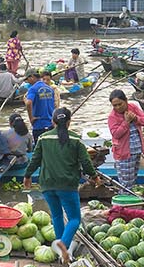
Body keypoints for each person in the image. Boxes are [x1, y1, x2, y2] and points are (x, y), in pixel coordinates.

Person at [21, 107, 96, 262]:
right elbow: (86, 162)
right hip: (67, 185)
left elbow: (34, 160)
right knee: (74, 218)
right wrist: (94, 177)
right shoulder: (76, 139)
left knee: (56, 215)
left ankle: (60, 252)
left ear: (53, 122)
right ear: (69, 122)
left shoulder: (43, 138)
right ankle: (63, 243)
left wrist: (27, 176)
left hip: (47, 185)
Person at [106, 90, 144, 191]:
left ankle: (128, 203)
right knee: (125, 184)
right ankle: (124, 203)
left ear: (126, 100)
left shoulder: (133, 107)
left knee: (132, 179)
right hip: (124, 153)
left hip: (137, 150)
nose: (118, 107)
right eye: (115, 105)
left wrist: (135, 118)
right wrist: (126, 122)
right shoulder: (112, 117)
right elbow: (116, 134)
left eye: (120, 104)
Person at [25, 71, 58, 139]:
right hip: (51, 124)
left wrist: (31, 118)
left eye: (27, 79)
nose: (27, 82)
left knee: (39, 148)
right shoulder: (50, 89)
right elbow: (55, 105)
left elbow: (28, 103)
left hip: (39, 124)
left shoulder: (33, 89)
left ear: (32, 77)